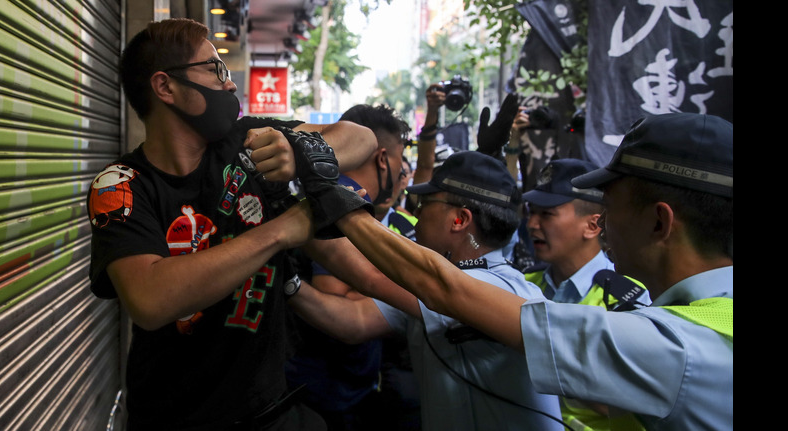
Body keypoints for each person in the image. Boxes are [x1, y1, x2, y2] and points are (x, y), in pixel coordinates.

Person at [323, 112, 733, 431]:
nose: (604, 224)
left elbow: (443, 288)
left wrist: (327, 196)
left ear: (659, 223)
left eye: (610, 209)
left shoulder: (676, 348)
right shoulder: (708, 324)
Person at [86, 18, 384, 430]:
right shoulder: (120, 185)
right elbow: (150, 299)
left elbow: (361, 138)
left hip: (269, 410)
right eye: (214, 69)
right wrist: (279, 232)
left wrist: (299, 150)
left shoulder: (245, 142)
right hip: (174, 419)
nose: (229, 85)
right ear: (165, 87)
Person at [287, 150, 564, 430]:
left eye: (426, 203)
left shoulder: (495, 287)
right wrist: (290, 283)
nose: (416, 211)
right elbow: (354, 321)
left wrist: (326, 205)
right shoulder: (432, 291)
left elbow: (368, 275)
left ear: (459, 220)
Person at [285, 103, 412, 430]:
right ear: (382, 158)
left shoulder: (331, 191)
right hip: (326, 396)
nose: (401, 172)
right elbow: (334, 291)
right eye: (399, 158)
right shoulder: (341, 200)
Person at [523, 158, 651, 431]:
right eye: (531, 211)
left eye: (547, 214)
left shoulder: (626, 300)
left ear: (593, 225)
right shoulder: (524, 285)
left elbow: (640, 403)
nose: (532, 224)